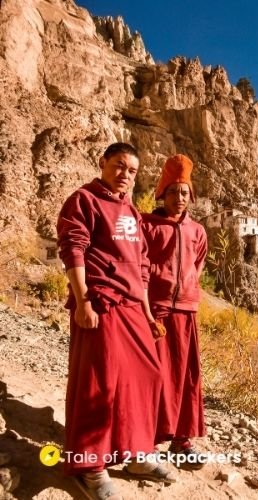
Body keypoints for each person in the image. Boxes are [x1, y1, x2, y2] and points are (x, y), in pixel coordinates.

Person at [57, 143, 176, 500]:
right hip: (101, 303)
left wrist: (147, 312)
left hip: (131, 307)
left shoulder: (132, 212)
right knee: (100, 383)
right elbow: (73, 249)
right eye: (119, 166)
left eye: (132, 170)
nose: (125, 175)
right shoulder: (84, 200)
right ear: (103, 164)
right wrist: (83, 301)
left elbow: (140, 266)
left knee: (146, 376)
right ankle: (90, 466)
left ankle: (137, 452)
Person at [142, 154, 208, 467]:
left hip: (186, 311)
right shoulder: (147, 225)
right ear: (161, 193)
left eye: (184, 193)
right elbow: (139, 263)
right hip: (155, 311)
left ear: (190, 196)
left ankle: (182, 441)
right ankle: (148, 439)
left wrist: (186, 287)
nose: (178, 198)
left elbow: (197, 265)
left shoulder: (198, 232)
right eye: (172, 192)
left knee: (185, 377)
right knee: (155, 374)